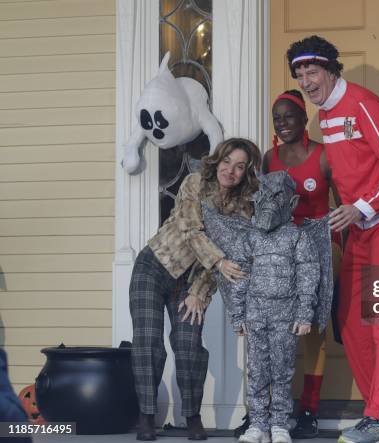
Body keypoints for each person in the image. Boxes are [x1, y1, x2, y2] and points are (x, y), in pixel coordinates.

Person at [286, 36, 379, 443]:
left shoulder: (363, 103)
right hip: (359, 222)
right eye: (300, 74)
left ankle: (378, 417)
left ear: (331, 70)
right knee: (348, 317)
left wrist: (362, 208)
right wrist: (349, 216)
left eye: (312, 72)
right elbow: (348, 173)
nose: (307, 81)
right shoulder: (324, 114)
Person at [129, 138, 261, 441]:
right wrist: (219, 262)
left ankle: (192, 416)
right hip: (153, 266)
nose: (231, 170)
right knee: (148, 341)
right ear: (218, 159)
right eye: (227, 162)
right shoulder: (194, 182)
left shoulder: (243, 208)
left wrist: (199, 291)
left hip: (190, 283)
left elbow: (231, 255)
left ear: (246, 172)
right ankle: (146, 416)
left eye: (240, 167)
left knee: (188, 345)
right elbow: (191, 230)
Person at [205, 171, 319, 443]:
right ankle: (257, 423)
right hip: (256, 316)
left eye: (277, 196)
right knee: (256, 370)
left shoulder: (298, 238)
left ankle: (279, 423)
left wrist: (305, 314)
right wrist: (238, 315)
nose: (269, 202)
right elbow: (240, 276)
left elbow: (308, 275)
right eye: (265, 195)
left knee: (281, 370)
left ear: (291, 203)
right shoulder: (251, 237)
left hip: (286, 318)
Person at [265, 89, 341, 438]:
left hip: (320, 247)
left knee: (313, 328)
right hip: (283, 252)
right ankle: (269, 410)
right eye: (276, 118)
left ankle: (309, 408)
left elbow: (342, 207)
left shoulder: (324, 156)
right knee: (276, 328)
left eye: (288, 116)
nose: (282, 123)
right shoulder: (270, 158)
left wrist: (342, 252)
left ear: (303, 118)